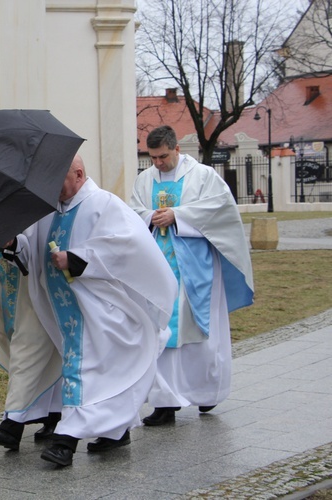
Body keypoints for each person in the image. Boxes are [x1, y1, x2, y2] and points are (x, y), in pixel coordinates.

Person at [7, 154, 178, 466]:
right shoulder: (49, 212)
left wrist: (76, 258)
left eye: (56, 181)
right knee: (96, 373)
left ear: (79, 174)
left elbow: (129, 247)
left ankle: (66, 441)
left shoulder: (104, 204)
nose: (50, 189)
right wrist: (11, 244)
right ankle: (116, 431)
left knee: (88, 372)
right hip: (67, 313)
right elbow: (30, 250)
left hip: (103, 312)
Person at [129, 125, 254, 426]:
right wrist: (149, 217)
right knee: (161, 334)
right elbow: (132, 212)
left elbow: (222, 211)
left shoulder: (203, 176)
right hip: (158, 269)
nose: (157, 163)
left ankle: (206, 392)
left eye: (162, 157)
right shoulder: (145, 179)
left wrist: (178, 215)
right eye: (152, 158)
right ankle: (165, 402)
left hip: (195, 270)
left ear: (176, 150)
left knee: (198, 333)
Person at [0, 252, 63, 451]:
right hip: (12, 308)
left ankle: (12, 426)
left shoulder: (33, 226)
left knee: (28, 360)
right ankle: (52, 416)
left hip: (38, 302)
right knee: (42, 362)